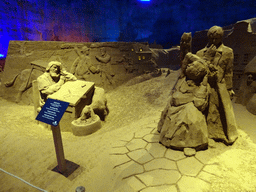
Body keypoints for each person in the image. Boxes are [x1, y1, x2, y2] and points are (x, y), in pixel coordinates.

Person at [196, 26, 238, 144]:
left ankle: (218, 134)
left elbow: (229, 72)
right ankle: (203, 133)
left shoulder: (227, 52)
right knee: (204, 109)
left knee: (219, 110)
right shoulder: (200, 53)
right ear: (208, 37)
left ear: (221, 37)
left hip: (220, 86)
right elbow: (197, 70)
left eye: (217, 38)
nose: (214, 40)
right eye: (212, 38)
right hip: (204, 85)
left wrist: (229, 88)